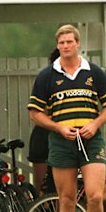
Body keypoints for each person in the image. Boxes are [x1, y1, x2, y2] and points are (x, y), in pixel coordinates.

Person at [28, 24, 106, 212]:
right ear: (58, 46)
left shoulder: (94, 72)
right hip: (61, 141)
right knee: (66, 200)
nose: (65, 46)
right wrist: (57, 128)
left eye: (69, 41)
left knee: (95, 196)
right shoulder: (47, 76)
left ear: (78, 44)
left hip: (91, 140)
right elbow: (35, 114)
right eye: (61, 43)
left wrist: (95, 123)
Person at [28, 48, 60, 195]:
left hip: (60, 135)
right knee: (41, 185)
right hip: (45, 135)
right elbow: (38, 110)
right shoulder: (46, 80)